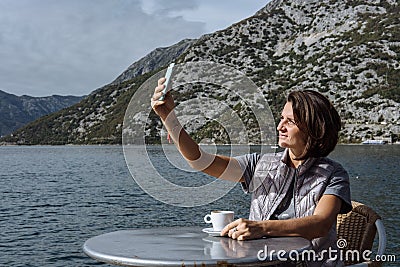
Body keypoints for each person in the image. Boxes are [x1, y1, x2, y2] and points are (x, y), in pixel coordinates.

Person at [151, 77, 351, 267]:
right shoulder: (259, 164)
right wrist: (168, 117)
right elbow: (202, 161)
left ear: (314, 128)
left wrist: (261, 228)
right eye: (282, 118)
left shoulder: (333, 174)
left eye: (290, 121)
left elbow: (320, 224)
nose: (280, 126)